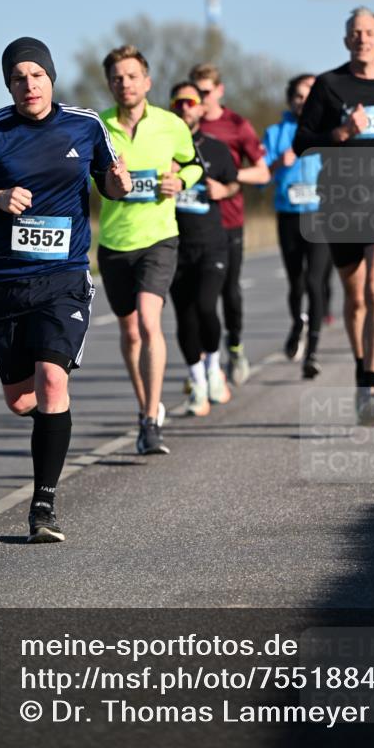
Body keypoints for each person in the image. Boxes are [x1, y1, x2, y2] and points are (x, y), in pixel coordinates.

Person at [0, 37, 131, 543]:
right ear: (9, 85)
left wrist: (119, 183)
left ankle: (42, 508)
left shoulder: (85, 125)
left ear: (51, 78)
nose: (30, 85)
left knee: (52, 380)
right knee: (22, 400)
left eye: (37, 75)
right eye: (19, 78)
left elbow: (111, 185)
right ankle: (50, 422)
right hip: (6, 284)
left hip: (64, 278)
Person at [293, 7, 374, 426]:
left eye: (369, 32)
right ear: (345, 40)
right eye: (355, 32)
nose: (362, 38)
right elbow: (301, 142)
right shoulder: (328, 85)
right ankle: (360, 371)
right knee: (354, 299)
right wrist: (340, 133)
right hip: (339, 200)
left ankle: (372, 386)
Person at [98, 46, 203, 454]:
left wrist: (182, 182)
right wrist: (111, 180)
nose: (124, 83)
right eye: (117, 78)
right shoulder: (98, 126)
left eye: (132, 76)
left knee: (148, 320)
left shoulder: (170, 124)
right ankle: (147, 406)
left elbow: (193, 164)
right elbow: (87, 175)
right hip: (114, 242)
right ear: (109, 85)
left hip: (159, 237)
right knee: (130, 332)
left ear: (147, 82)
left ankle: (150, 422)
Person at [189, 63, 269, 386]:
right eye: (195, 93)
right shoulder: (181, 125)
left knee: (229, 291)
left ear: (219, 91)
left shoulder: (236, 125)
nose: (200, 99)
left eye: (205, 92)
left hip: (228, 220)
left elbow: (263, 172)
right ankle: (201, 363)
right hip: (193, 225)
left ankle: (234, 344)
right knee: (197, 300)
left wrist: (228, 181)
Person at [168, 81, 240, 414]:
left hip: (212, 243)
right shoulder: (162, 147)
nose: (185, 107)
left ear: (200, 107)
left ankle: (213, 368)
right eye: (179, 102)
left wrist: (223, 191)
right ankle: (197, 382)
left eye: (190, 102)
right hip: (174, 244)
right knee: (184, 316)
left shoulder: (216, 148)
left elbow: (234, 183)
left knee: (206, 307)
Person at [262, 73, 332, 378]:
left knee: (315, 282)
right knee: (296, 283)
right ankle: (297, 324)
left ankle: (312, 352)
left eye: (309, 96)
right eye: (299, 96)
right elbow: (261, 176)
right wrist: (280, 162)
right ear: (290, 100)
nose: (304, 102)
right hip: (289, 215)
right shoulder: (275, 133)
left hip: (320, 216)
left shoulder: (328, 130)